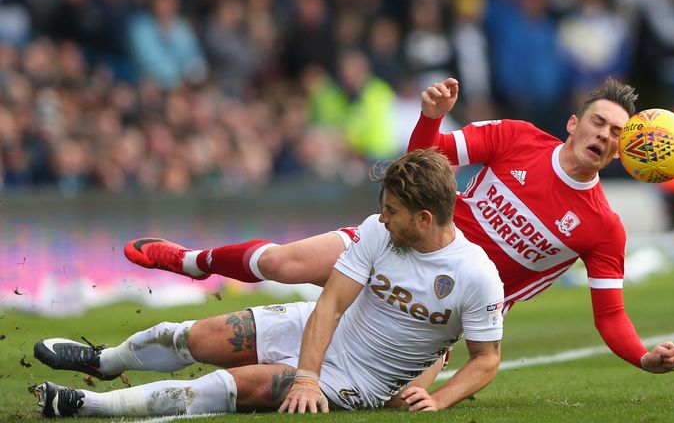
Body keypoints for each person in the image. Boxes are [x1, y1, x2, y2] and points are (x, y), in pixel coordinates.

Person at [125, 77, 674, 375]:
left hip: (444, 310)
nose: (604, 135)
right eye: (598, 122)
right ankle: (190, 261)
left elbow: (610, 317)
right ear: (574, 122)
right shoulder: (515, 138)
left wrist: (643, 356)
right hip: (400, 241)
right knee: (280, 264)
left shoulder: (603, 228)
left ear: (623, 152)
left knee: (398, 400)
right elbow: (424, 160)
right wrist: (431, 116)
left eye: (616, 133)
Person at [33, 149, 504, 417]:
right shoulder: (380, 231)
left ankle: (88, 406)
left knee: (233, 387)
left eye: (393, 210)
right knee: (194, 335)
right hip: (315, 329)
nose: (381, 216)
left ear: (424, 219)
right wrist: (305, 373)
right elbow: (331, 306)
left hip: (356, 380)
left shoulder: (476, 274)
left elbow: (486, 359)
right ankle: (104, 360)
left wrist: (439, 398)